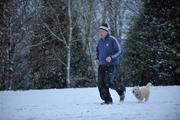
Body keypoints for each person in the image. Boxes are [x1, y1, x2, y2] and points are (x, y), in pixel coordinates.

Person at [95, 23, 126, 104]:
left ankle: (121, 90)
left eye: (102, 31)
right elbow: (98, 51)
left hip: (112, 65)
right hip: (102, 65)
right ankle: (107, 100)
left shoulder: (112, 39)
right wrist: (97, 59)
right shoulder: (100, 42)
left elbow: (120, 51)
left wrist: (111, 57)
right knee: (100, 83)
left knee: (109, 82)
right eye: (99, 31)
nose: (100, 33)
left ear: (106, 31)